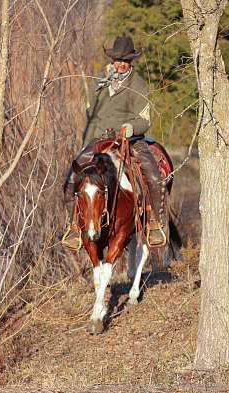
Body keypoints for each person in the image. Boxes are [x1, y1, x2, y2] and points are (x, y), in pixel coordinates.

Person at [62, 35, 166, 249]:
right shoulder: (99, 83)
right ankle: (74, 226)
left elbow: (145, 120)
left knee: (155, 178)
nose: (120, 63)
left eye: (125, 60)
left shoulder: (138, 85)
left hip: (129, 139)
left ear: (131, 62)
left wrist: (131, 128)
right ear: (112, 59)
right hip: (98, 140)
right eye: (117, 59)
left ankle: (154, 223)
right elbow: (91, 116)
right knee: (72, 177)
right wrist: (85, 144)